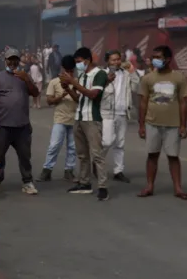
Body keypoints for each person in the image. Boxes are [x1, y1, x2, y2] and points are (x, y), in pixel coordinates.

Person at [137, 45, 187, 200]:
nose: (155, 60)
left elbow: (183, 102)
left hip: (173, 124)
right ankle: (149, 186)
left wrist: (183, 125)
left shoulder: (179, 78)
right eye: (153, 57)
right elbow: (143, 102)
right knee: (152, 155)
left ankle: (178, 188)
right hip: (152, 123)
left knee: (173, 156)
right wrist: (141, 125)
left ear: (168, 59)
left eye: (158, 57)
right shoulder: (148, 78)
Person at [0, 48, 39, 195]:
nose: (13, 62)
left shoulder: (24, 77)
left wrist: (26, 79)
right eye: (10, 59)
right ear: (5, 61)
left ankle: (27, 182)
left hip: (22, 125)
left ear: (19, 61)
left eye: (15, 59)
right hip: (2, 125)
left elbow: (35, 93)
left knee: (25, 156)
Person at [59, 47, 109, 200]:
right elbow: (78, 98)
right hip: (79, 117)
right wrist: (68, 88)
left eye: (79, 61)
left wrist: (73, 82)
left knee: (97, 154)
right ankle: (85, 182)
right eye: (76, 62)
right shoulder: (81, 76)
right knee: (82, 154)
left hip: (92, 119)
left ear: (87, 60)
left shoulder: (100, 74)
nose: (77, 64)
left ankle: (103, 187)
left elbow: (93, 95)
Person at [38, 55, 78, 182]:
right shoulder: (54, 82)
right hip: (60, 118)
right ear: (62, 69)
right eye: (67, 71)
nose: (69, 74)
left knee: (73, 147)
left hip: (75, 118)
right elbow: (49, 101)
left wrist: (71, 88)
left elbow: (79, 99)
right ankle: (47, 170)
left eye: (71, 71)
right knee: (54, 145)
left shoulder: (77, 82)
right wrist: (61, 96)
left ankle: (69, 170)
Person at [101, 50, 137, 184]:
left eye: (118, 59)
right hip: (107, 112)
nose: (116, 62)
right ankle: (98, 162)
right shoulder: (102, 74)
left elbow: (136, 86)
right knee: (106, 141)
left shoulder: (126, 74)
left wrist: (132, 71)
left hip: (122, 112)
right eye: (113, 60)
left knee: (120, 143)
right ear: (107, 61)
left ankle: (118, 171)